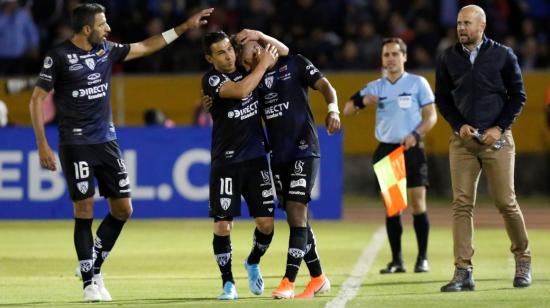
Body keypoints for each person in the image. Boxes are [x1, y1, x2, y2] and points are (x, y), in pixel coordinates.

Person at [29, 3, 213, 302]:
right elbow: (37, 100)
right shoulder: (59, 56)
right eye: (103, 24)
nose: (108, 29)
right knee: (84, 208)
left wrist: (182, 27)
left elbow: (144, 47)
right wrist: (42, 145)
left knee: (123, 209)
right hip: (75, 143)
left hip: (106, 141)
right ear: (87, 29)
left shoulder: (106, 51)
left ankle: (93, 264)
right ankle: (90, 282)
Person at [233, 29, 341, 299]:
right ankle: (318, 278)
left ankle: (288, 282)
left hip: (304, 149)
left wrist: (333, 109)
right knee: (299, 218)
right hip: (279, 156)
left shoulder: (294, 63)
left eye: (245, 57)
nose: (245, 65)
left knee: (295, 210)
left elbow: (327, 87)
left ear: (257, 47)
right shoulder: (255, 80)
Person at [435, 5, 531, 292]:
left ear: (482, 25)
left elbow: (518, 97)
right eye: (459, 23)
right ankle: (463, 271)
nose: (461, 28)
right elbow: (443, 99)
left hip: (497, 141)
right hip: (463, 142)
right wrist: (458, 125)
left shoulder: (503, 55)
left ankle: (523, 259)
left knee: (506, 202)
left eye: (466, 23)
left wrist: (498, 128)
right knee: (461, 205)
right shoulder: (448, 57)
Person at [343, 37, 437, 275]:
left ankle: (423, 258)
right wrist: (363, 101)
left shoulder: (418, 83)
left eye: (395, 54)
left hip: (412, 149)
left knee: (417, 204)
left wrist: (416, 134)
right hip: (387, 150)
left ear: (404, 57)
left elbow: (431, 116)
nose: (391, 58)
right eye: (387, 55)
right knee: (393, 208)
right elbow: (347, 109)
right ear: (382, 59)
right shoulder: (376, 86)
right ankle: (397, 261)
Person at [201, 30, 284, 300]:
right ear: (209, 58)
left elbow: (283, 52)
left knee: (267, 223)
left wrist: (260, 36)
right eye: (221, 53)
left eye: (230, 49)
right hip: (226, 162)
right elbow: (241, 90)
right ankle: (228, 283)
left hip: (256, 159)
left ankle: (253, 262)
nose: (229, 56)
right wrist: (262, 65)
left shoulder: (248, 69)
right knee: (223, 225)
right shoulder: (212, 79)